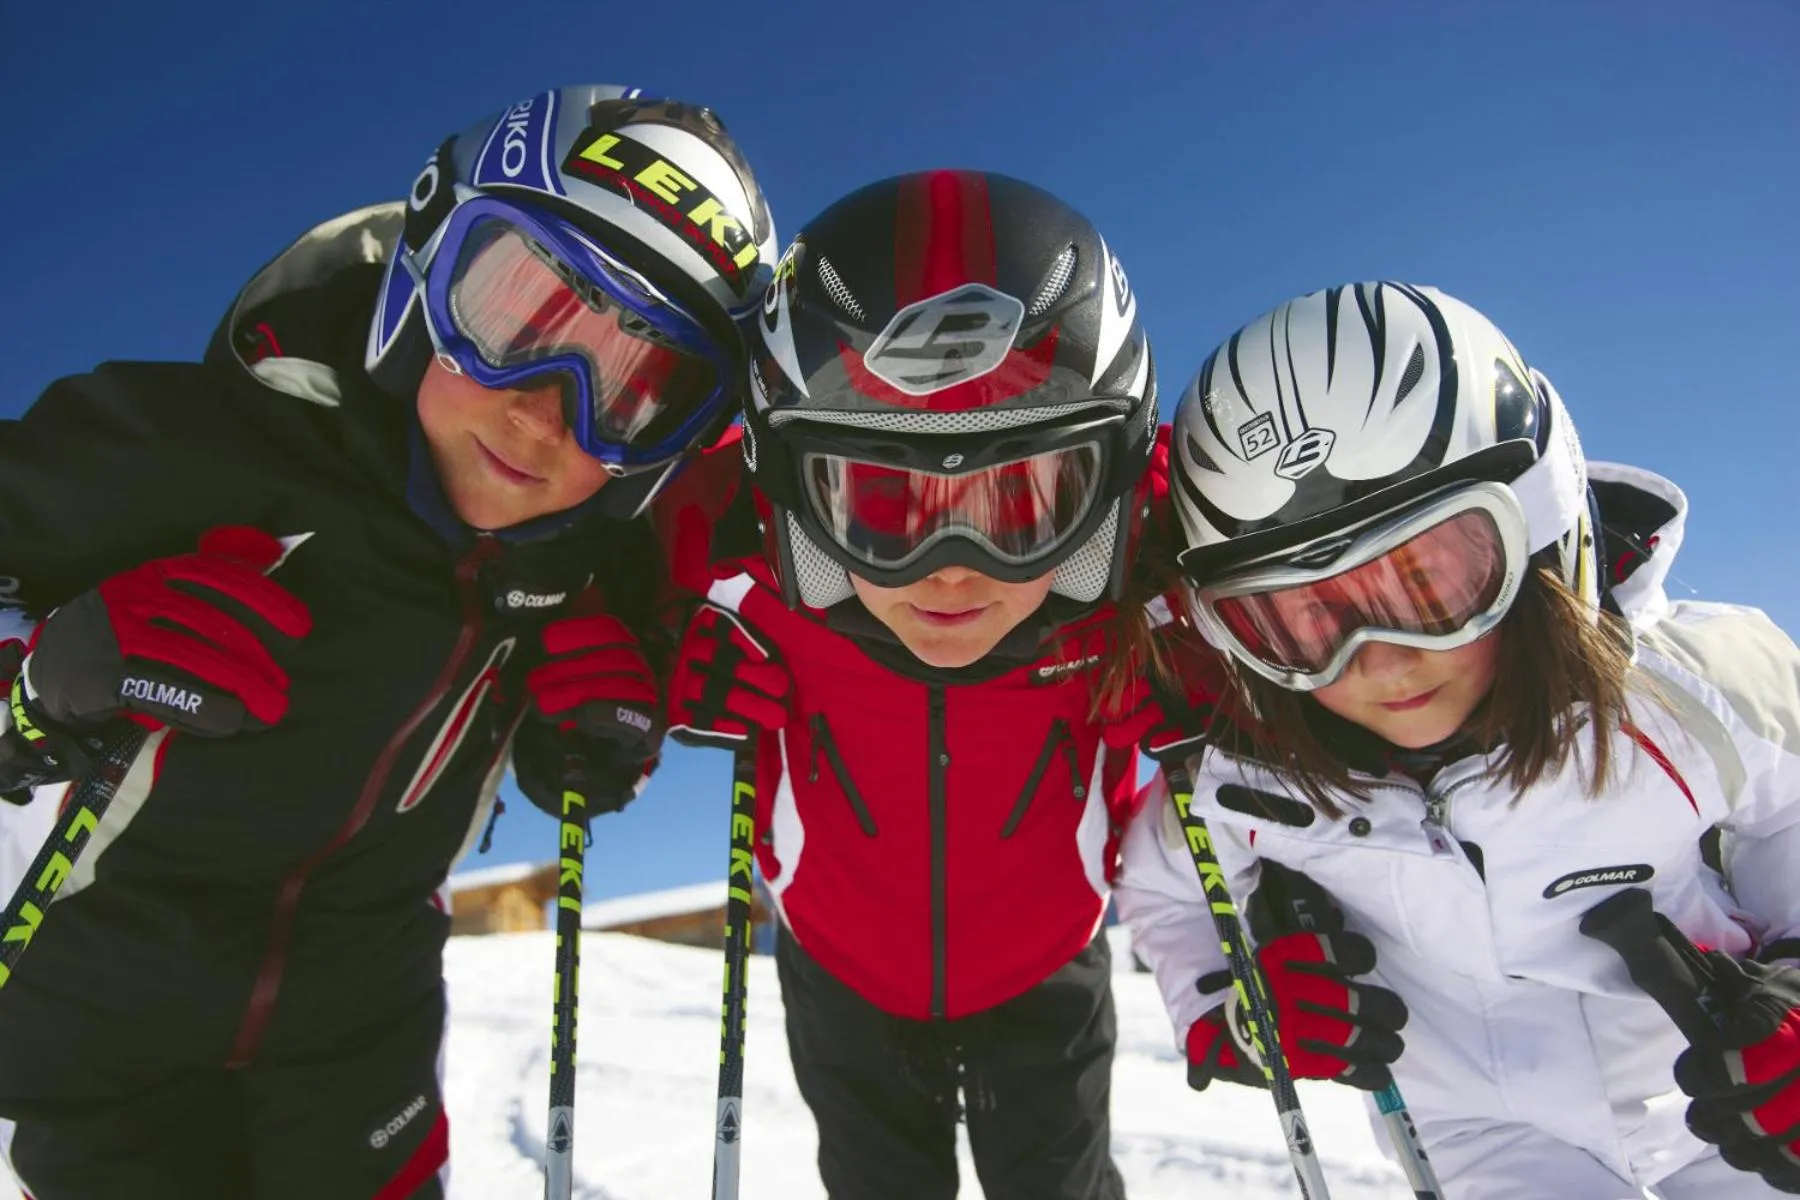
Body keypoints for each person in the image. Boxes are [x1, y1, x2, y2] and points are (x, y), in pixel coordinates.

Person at [0, 84, 775, 1199]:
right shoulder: (194, 451)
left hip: (361, 1037)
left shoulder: (596, 572)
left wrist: (601, 738)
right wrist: (42, 682)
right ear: (425, 260)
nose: (548, 410)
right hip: (110, 1025)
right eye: (517, 311)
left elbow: (606, 719)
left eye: (637, 383)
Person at [1117, 281, 1800, 1198]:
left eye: (1427, 583)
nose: (1381, 663)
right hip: (1482, 1132)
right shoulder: (1253, 777)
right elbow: (1167, 890)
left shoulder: (1696, 691)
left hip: (1717, 1100)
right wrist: (1236, 1009)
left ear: (1542, 529)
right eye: (1298, 619)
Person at [663, 170, 1177, 1200]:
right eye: (884, 500)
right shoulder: (731, 545)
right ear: (791, 491)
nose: (953, 565)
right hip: (842, 965)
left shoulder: (1147, 567)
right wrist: (644, 653)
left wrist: (1198, 649)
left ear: (1109, 489)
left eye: (1024, 496)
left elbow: (1284, 561)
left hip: (1045, 960)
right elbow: (580, 537)